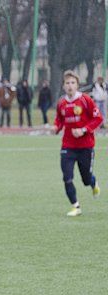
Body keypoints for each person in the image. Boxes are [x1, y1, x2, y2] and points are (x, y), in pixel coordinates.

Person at [55, 70, 102, 217]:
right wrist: (56, 127)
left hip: (85, 146)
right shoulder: (61, 103)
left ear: (77, 85)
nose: (70, 86)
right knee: (67, 177)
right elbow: (60, 120)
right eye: (67, 83)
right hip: (68, 146)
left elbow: (98, 119)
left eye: (73, 83)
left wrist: (83, 130)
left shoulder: (85, 100)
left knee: (86, 179)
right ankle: (76, 206)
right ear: (63, 86)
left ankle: (93, 183)